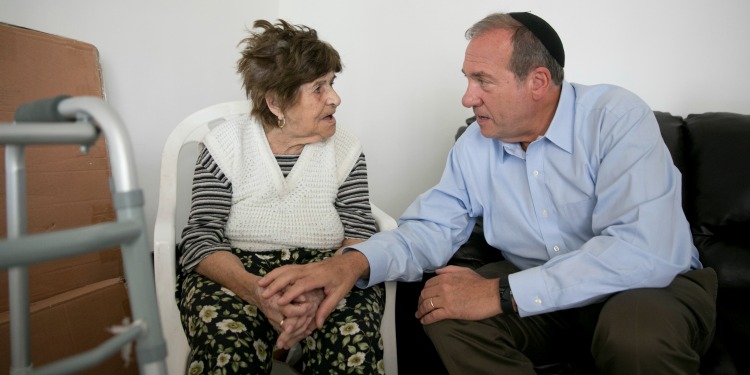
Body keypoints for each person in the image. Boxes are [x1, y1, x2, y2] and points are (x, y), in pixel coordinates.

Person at [258, 11, 718, 374]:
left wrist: (503, 294)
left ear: (537, 82)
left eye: (483, 80)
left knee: (634, 333)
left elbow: (642, 251)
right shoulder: (476, 144)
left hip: (648, 290)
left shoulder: (616, 118)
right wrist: (350, 263)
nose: (467, 97)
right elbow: (431, 229)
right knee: (443, 310)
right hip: (541, 294)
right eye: (467, 78)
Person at [176, 19, 385, 375]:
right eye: (318, 88)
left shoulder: (346, 148)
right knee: (225, 347)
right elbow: (201, 236)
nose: (335, 97)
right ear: (276, 102)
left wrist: (321, 287)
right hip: (239, 269)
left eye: (332, 83)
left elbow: (359, 232)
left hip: (325, 267)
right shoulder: (225, 146)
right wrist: (255, 291)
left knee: (354, 345)